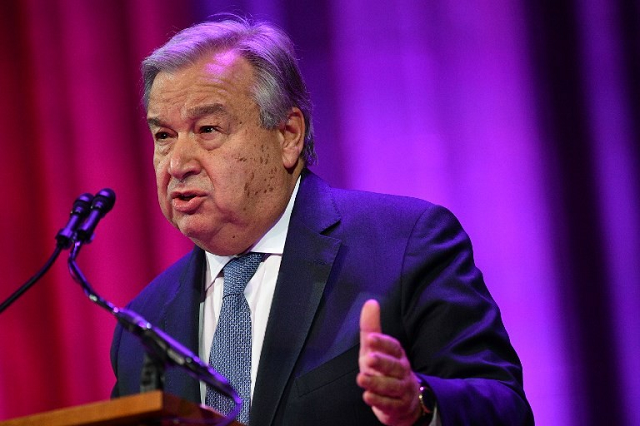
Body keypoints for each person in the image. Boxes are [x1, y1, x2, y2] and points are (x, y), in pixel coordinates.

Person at [110, 16, 534, 426]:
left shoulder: (405, 245)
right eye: (163, 135)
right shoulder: (143, 324)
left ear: (288, 136)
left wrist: (420, 403)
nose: (178, 163)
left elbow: (506, 409)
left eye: (207, 129)